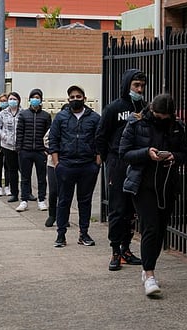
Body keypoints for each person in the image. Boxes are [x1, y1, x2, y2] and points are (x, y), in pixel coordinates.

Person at [119, 93, 187, 296]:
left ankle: (148, 267)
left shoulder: (177, 127)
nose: (162, 119)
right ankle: (149, 274)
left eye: (165, 116)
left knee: (159, 229)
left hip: (167, 184)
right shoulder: (136, 123)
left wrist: (173, 157)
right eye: (158, 115)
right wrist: (146, 153)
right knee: (150, 227)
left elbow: (185, 153)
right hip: (143, 184)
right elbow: (124, 153)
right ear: (152, 110)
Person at [96, 68, 146, 271]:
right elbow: (101, 135)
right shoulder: (113, 108)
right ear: (127, 85)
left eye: (142, 86)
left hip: (137, 162)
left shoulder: (144, 107)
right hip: (117, 162)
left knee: (131, 210)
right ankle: (115, 251)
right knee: (117, 209)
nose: (139, 89)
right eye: (136, 85)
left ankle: (126, 248)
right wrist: (105, 159)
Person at [49, 85, 101, 248]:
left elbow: (100, 141)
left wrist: (97, 163)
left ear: (84, 99)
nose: (75, 99)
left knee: (85, 201)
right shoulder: (61, 117)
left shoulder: (95, 118)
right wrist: (57, 163)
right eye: (72, 97)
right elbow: (53, 140)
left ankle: (84, 234)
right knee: (64, 200)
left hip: (87, 166)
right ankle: (61, 234)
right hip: (66, 165)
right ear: (68, 99)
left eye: (78, 97)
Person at [15, 88, 51, 212]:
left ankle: (42, 200)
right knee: (25, 177)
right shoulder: (23, 114)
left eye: (38, 97)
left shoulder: (46, 116)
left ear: (41, 100)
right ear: (30, 99)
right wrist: (19, 148)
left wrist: (46, 149)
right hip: (26, 150)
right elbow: (19, 132)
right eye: (33, 97)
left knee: (42, 177)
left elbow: (48, 134)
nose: (35, 100)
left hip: (40, 151)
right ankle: (24, 200)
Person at [0, 91, 22, 202]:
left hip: (21, 146)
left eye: (15, 99)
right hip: (7, 145)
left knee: (24, 171)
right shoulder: (2, 113)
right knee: (12, 170)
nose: (12, 101)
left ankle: (27, 193)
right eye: (10, 99)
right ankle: (14, 193)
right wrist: (3, 136)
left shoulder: (23, 113)